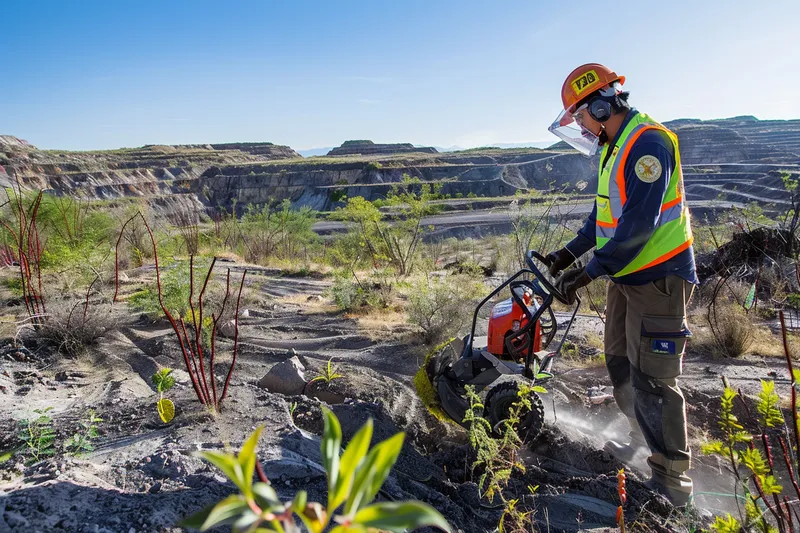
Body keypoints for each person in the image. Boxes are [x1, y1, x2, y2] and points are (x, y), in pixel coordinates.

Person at [544, 63, 698, 507]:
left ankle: (672, 481)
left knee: (653, 378)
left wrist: (590, 272)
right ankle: (642, 442)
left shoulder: (647, 142)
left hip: (658, 278)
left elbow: (638, 226)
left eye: (581, 117)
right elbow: (604, 218)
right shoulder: (615, 145)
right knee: (619, 363)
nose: (582, 126)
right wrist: (568, 254)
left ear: (600, 104)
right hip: (626, 275)